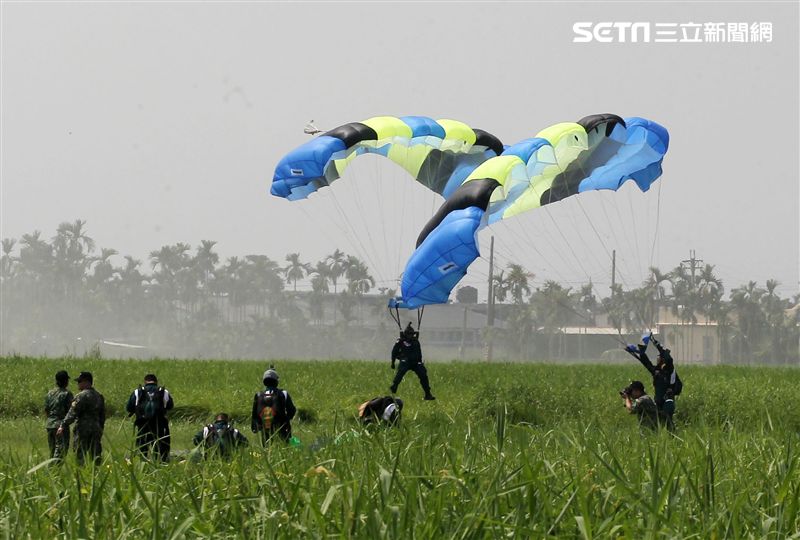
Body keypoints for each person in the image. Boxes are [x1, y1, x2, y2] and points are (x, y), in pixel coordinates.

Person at [624, 333, 682, 417]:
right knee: (658, 423)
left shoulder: (669, 370)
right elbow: (646, 363)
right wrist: (639, 353)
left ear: (662, 360)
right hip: (658, 402)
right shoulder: (656, 371)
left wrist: (656, 344)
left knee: (668, 422)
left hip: (667, 402)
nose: (657, 358)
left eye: (659, 357)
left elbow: (669, 359)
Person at [56, 371, 106, 465]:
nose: (78, 384)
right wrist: (100, 428)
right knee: (95, 456)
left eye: (80, 381)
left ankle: (80, 477)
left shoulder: (81, 396)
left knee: (80, 456)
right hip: (96, 429)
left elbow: (72, 413)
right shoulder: (99, 396)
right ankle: (95, 476)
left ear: (86, 382)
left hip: (83, 430)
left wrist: (63, 425)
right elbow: (102, 415)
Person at [125, 373, 174, 462]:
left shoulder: (137, 392)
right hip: (159, 426)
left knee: (142, 451)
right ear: (156, 382)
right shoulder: (164, 392)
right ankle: (158, 469)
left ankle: (143, 469)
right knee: (159, 452)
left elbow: (129, 408)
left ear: (145, 381)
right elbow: (170, 406)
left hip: (143, 426)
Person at [251, 367, 296, 445]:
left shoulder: (258, 395)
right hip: (282, 428)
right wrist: (286, 420)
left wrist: (256, 427)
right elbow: (292, 410)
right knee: (285, 448)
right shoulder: (283, 393)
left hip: (265, 428)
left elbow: (254, 414)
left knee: (267, 450)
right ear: (276, 381)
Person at [390, 322, 435, 400]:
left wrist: (420, 363)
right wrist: (393, 362)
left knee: (423, 375)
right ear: (405, 334)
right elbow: (394, 352)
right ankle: (394, 386)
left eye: (411, 334)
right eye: (408, 334)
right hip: (405, 361)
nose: (410, 336)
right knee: (400, 372)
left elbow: (419, 353)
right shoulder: (401, 341)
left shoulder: (415, 341)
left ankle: (428, 394)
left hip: (416, 362)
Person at [44, 370, 73, 460]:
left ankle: (52, 471)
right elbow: (71, 410)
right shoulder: (67, 394)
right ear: (66, 381)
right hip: (60, 426)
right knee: (61, 453)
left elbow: (46, 410)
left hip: (49, 425)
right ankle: (53, 471)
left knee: (52, 452)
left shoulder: (50, 393)